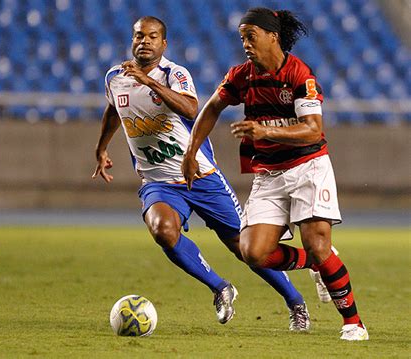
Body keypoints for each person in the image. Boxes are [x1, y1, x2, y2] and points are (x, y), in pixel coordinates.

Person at [93, 16, 312, 330]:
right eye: (139, 36)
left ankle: (296, 303)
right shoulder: (115, 77)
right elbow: (114, 109)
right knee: (162, 230)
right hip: (158, 181)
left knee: (245, 248)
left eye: (152, 36)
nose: (145, 41)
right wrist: (101, 148)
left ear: (163, 43)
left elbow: (191, 109)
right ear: (132, 39)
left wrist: (150, 83)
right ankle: (220, 288)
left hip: (202, 176)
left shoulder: (174, 74)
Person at [182, 8, 368, 341]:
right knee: (253, 252)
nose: (245, 44)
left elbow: (313, 131)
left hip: (308, 167)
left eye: (250, 36)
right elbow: (211, 108)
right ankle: (316, 263)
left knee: (317, 242)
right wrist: (191, 151)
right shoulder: (241, 76)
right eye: (241, 37)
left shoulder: (299, 75)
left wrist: (264, 132)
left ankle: (353, 323)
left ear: (272, 36)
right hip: (268, 173)